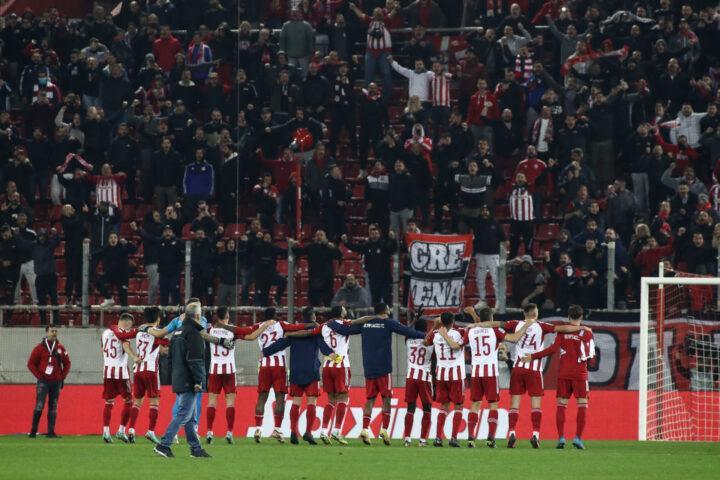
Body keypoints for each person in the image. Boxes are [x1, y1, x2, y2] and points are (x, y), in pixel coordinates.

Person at [325, 303, 426, 445]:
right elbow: (407, 331)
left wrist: (330, 323)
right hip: (384, 367)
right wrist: (427, 335)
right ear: (385, 310)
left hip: (369, 367)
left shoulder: (366, 324)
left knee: (370, 399)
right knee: (387, 399)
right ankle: (384, 429)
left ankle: (365, 429)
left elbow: (344, 330)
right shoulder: (388, 323)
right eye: (388, 308)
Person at [503, 303, 588, 448]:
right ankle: (535, 435)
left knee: (514, 403)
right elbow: (562, 328)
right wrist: (582, 328)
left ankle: (512, 432)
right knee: (536, 405)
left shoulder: (515, 324)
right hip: (534, 370)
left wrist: (477, 324)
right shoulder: (541, 326)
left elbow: (496, 324)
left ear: (524, 313)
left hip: (518, 367)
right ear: (535, 313)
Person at [463, 306, 534, 448]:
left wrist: (473, 314)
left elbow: (479, 326)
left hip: (476, 373)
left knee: (475, 405)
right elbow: (514, 338)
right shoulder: (495, 331)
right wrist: (526, 325)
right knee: (493, 405)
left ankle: (471, 438)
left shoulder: (471, 331)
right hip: (490, 373)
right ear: (491, 319)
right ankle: (490, 439)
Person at [262, 306, 332, 445]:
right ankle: (308, 432)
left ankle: (293, 431)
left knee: (296, 402)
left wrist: (266, 351)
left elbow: (281, 343)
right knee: (311, 401)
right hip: (311, 371)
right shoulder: (315, 332)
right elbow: (323, 347)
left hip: (296, 371)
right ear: (313, 317)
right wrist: (331, 353)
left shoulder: (294, 332)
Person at [205, 307, 274, 444]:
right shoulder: (232, 330)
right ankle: (229, 432)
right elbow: (251, 336)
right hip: (229, 371)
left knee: (212, 401)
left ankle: (209, 432)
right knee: (230, 402)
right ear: (227, 317)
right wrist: (264, 326)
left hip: (214, 370)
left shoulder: (210, 330)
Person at [153, 303, 211, 459]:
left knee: (190, 417)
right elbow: (195, 360)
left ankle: (196, 449)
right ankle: (163, 445)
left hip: (178, 378)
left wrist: (175, 376)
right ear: (197, 315)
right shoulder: (194, 333)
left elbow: (170, 358)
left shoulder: (177, 332)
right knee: (183, 414)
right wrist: (199, 381)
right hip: (189, 380)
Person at [248, 307, 314, 443]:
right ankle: (277, 429)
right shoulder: (281, 325)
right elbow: (297, 327)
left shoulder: (258, 326)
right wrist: (312, 324)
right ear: (275, 316)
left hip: (264, 365)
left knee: (262, 397)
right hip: (279, 366)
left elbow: (244, 332)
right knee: (280, 398)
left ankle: (258, 428)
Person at [126, 307, 168, 444]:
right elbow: (164, 351)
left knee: (137, 401)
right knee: (154, 402)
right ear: (158, 319)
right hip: (151, 370)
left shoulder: (139, 332)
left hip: (138, 369)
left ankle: (131, 429)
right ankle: (150, 431)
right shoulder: (157, 334)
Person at [425, 312, 465, 447]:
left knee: (444, 406)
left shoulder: (435, 334)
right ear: (453, 321)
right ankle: (453, 437)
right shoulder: (459, 332)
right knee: (458, 406)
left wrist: (434, 326)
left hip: (441, 375)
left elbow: (425, 342)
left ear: (441, 321)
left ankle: (438, 438)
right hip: (456, 375)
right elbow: (456, 346)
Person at [27, 325, 71, 438]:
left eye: (56, 331)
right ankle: (33, 432)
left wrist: (62, 377)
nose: (54, 333)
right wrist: (39, 376)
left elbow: (67, 363)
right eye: (52, 331)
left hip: (56, 382)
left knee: (53, 406)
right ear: (47, 333)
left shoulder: (60, 348)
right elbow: (30, 364)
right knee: (39, 405)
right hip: (43, 382)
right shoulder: (39, 348)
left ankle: (51, 432)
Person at [100, 313, 138, 443]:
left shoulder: (105, 333)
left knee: (109, 402)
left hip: (107, 372)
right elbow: (126, 347)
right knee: (128, 401)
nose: (129, 328)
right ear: (126, 322)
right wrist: (134, 357)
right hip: (121, 373)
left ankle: (106, 432)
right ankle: (121, 430)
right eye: (130, 325)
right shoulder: (123, 333)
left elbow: (102, 349)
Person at [319, 305, 352, 445]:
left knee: (331, 400)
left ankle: (323, 431)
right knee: (344, 398)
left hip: (327, 365)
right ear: (341, 313)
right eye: (344, 309)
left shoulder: (324, 326)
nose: (346, 310)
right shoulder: (345, 324)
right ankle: (337, 431)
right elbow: (357, 326)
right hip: (341, 365)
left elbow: (319, 340)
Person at [341, 225, 397, 304]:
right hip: (373, 277)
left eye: (375, 230)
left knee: (387, 298)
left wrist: (393, 239)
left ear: (379, 232)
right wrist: (346, 242)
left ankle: (389, 312)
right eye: (371, 231)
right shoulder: (367, 245)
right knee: (375, 299)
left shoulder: (385, 244)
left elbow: (394, 248)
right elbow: (355, 247)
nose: (373, 232)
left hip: (385, 277)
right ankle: (376, 312)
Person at [402, 316, 432, 447]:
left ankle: (407, 438)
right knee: (427, 408)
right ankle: (423, 440)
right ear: (426, 328)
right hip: (424, 377)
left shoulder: (408, 340)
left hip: (411, 376)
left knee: (410, 408)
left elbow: (406, 331)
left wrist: (413, 319)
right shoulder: (430, 341)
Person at [290, 231, 342, 306]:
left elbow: (339, 256)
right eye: (317, 235)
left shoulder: (329, 247)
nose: (319, 237)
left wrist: (334, 248)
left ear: (325, 238)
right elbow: (299, 252)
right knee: (313, 302)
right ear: (314, 237)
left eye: (321, 235)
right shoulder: (311, 247)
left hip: (327, 279)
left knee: (328, 302)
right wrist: (293, 245)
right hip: (314, 278)